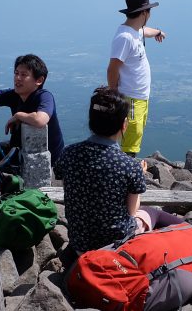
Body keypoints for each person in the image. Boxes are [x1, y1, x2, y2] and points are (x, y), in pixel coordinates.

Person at [56, 87, 184, 254]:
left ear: (91, 121)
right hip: (114, 247)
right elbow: (131, 212)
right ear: (124, 125)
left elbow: (69, 186)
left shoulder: (69, 153)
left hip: (80, 244)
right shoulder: (128, 165)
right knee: (154, 213)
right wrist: (138, 175)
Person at [0, 54, 65, 169]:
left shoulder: (44, 97)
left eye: (24, 75)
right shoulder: (14, 95)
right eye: (16, 73)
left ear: (39, 80)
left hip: (49, 164)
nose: (18, 78)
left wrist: (18, 115)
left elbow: (40, 120)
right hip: (21, 150)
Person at [107, 0, 167, 157]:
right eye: (149, 11)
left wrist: (157, 32)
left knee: (135, 135)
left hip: (139, 96)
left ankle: (127, 170)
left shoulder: (134, 31)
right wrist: (113, 94)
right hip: (131, 97)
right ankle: (127, 173)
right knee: (131, 139)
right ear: (144, 13)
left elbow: (144, 31)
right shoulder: (125, 37)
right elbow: (112, 68)